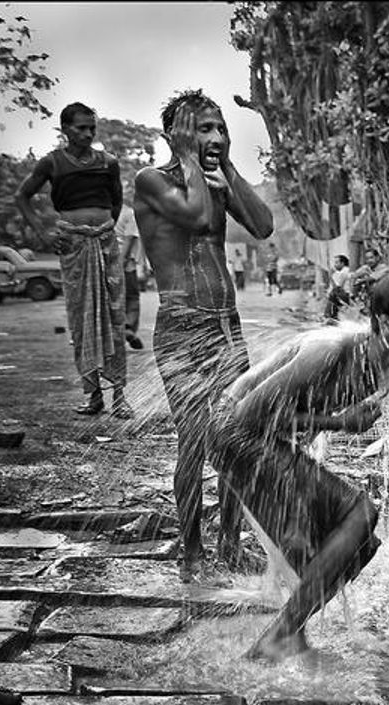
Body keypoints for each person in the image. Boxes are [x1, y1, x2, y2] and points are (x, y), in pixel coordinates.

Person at [208, 271, 389, 660]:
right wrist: (339, 422)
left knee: (346, 549)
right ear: (385, 324)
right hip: (235, 430)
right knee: (359, 514)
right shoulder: (329, 350)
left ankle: (288, 634)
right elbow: (251, 415)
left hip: (263, 438)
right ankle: (282, 634)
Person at [134, 89, 274, 583]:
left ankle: (231, 546)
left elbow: (262, 225)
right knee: (193, 443)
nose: (214, 137)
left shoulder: (214, 180)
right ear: (176, 135)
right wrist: (193, 161)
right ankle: (192, 555)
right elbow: (194, 217)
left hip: (225, 329)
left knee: (237, 439)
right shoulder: (152, 181)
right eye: (203, 129)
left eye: (220, 128)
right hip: (180, 330)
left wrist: (230, 173)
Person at [15, 102, 132, 417]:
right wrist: (43, 234)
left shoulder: (109, 162)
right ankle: (93, 395)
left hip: (105, 243)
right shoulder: (51, 163)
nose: (88, 133)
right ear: (65, 129)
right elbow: (21, 196)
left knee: (114, 317)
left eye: (92, 127)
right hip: (74, 249)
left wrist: (102, 230)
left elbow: (117, 203)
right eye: (81, 127)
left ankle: (120, 395)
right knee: (82, 320)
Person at [114, 206, 144, 350]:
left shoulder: (107, 211)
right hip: (125, 262)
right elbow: (129, 238)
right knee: (131, 296)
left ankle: (113, 331)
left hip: (106, 260)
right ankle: (128, 328)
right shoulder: (128, 213)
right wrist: (121, 260)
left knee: (113, 296)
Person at [324, 254, 353, 320]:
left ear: (342, 263)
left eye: (336, 262)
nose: (334, 265)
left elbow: (337, 288)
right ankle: (331, 316)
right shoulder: (343, 271)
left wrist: (330, 276)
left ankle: (329, 316)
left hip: (344, 295)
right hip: (343, 295)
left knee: (332, 295)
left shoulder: (344, 272)